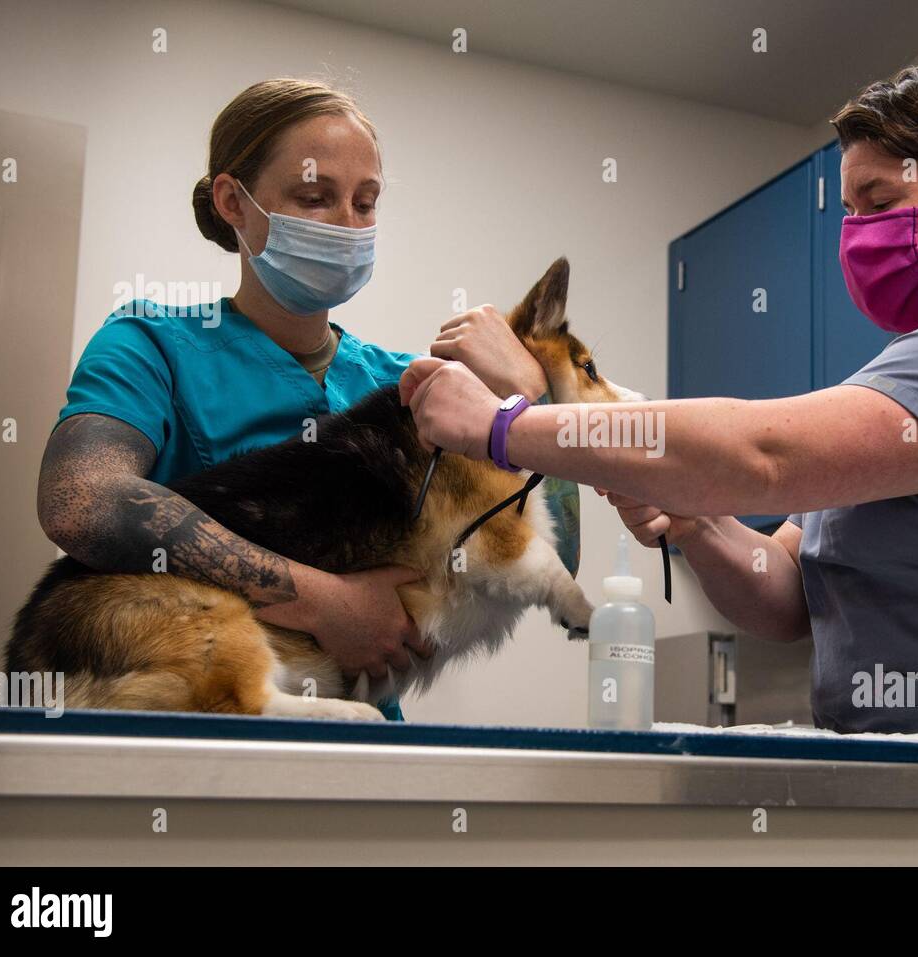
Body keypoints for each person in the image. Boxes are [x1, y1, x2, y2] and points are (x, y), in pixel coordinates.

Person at [399, 63, 918, 865]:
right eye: (848, 209)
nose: (857, 234)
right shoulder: (907, 382)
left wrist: (508, 422)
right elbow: (784, 589)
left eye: (881, 200)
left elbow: (759, 457)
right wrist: (696, 522)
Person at [37, 78, 578, 720]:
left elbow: (554, 556)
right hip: (195, 714)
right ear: (234, 202)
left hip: (360, 740)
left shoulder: (407, 383)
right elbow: (83, 505)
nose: (349, 225)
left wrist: (526, 395)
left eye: (366, 202)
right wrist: (323, 602)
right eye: (316, 197)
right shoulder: (149, 344)